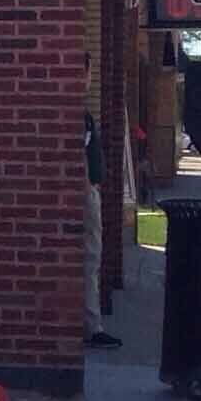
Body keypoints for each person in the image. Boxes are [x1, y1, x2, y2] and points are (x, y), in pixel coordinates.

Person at [83, 112, 120, 350]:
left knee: (91, 262)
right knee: (90, 260)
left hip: (89, 191)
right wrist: (87, 190)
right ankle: (91, 327)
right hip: (86, 194)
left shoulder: (83, 116)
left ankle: (91, 324)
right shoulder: (79, 117)